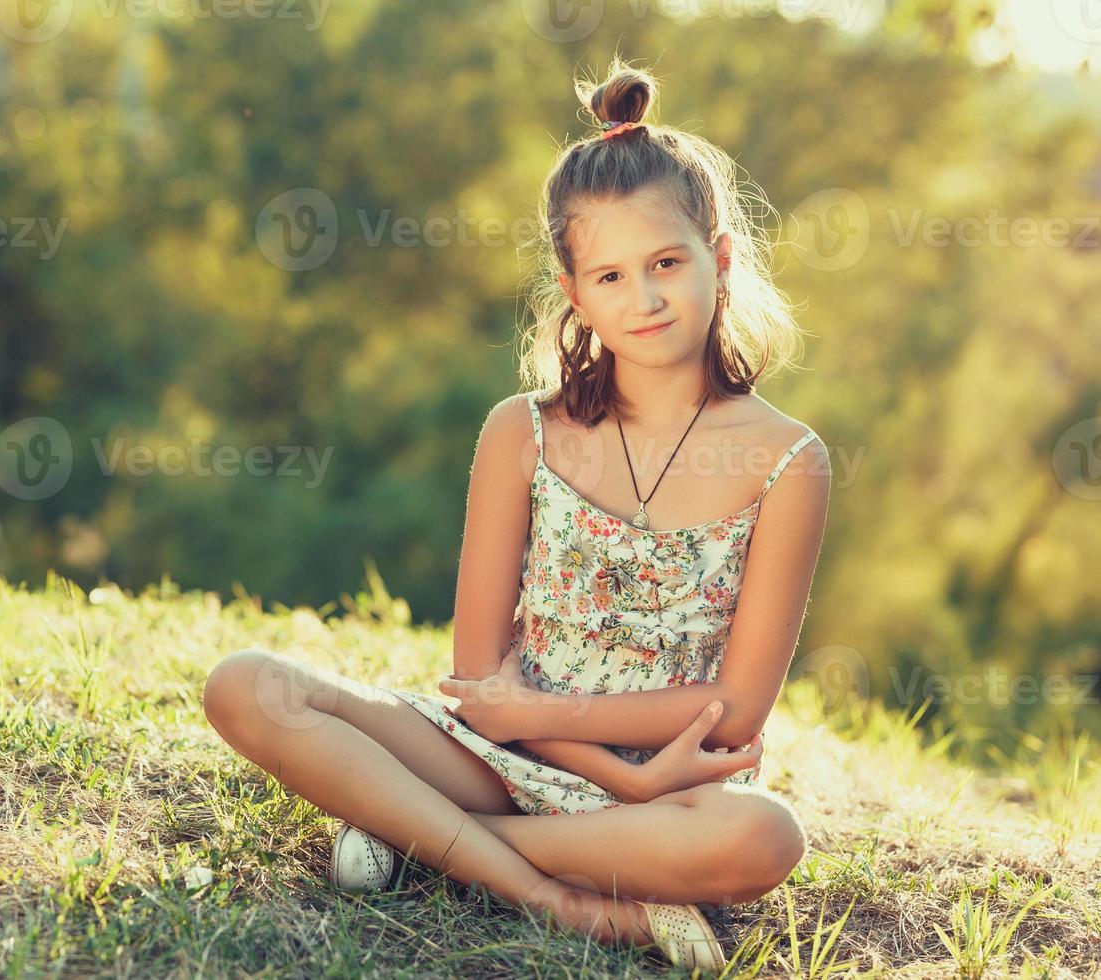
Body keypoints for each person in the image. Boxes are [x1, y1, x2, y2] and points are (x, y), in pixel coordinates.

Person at [202, 58, 828, 970]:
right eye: (609, 276)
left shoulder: (787, 460)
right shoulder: (521, 432)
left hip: (664, 798)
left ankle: (422, 841)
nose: (644, 298)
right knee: (246, 684)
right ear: (574, 295)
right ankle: (546, 893)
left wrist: (627, 777)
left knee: (767, 838)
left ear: (719, 259)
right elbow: (475, 678)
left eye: (666, 263)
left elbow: (730, 712)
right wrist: (583, 754)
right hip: (498, 753)